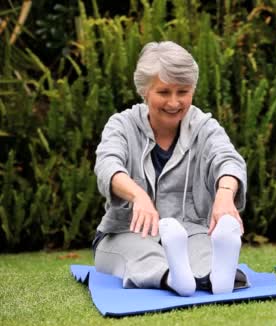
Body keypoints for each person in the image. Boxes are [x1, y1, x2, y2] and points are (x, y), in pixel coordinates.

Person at [93, 41, 247, 296]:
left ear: (193, 90)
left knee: (203, 250)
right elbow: (107, 165)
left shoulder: (205, 127)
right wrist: (138, 196)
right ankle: (175, 278)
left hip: (190, 230)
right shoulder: (121, 125)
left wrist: (224, 194)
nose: (174, 102)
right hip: (125, 232)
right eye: (164, 92)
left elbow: (228, 158)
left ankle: (215, 276)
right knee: (143, 254)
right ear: (144, 91)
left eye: (183, 92)